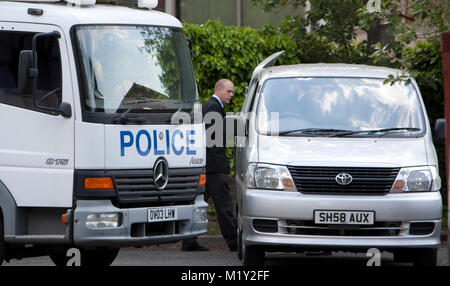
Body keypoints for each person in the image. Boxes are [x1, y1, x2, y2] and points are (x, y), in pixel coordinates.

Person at [181, 79, 238, 252]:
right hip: (214, 166)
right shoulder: (213, 107)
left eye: (232, 92)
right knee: (224, 206)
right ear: (219, 89)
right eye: (228, 91)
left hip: (207, 165)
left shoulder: (208, 106)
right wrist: (222, 165)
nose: (231, 95)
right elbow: (214, 140)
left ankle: (188, 241)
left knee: (199, 202)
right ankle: (234, 242)